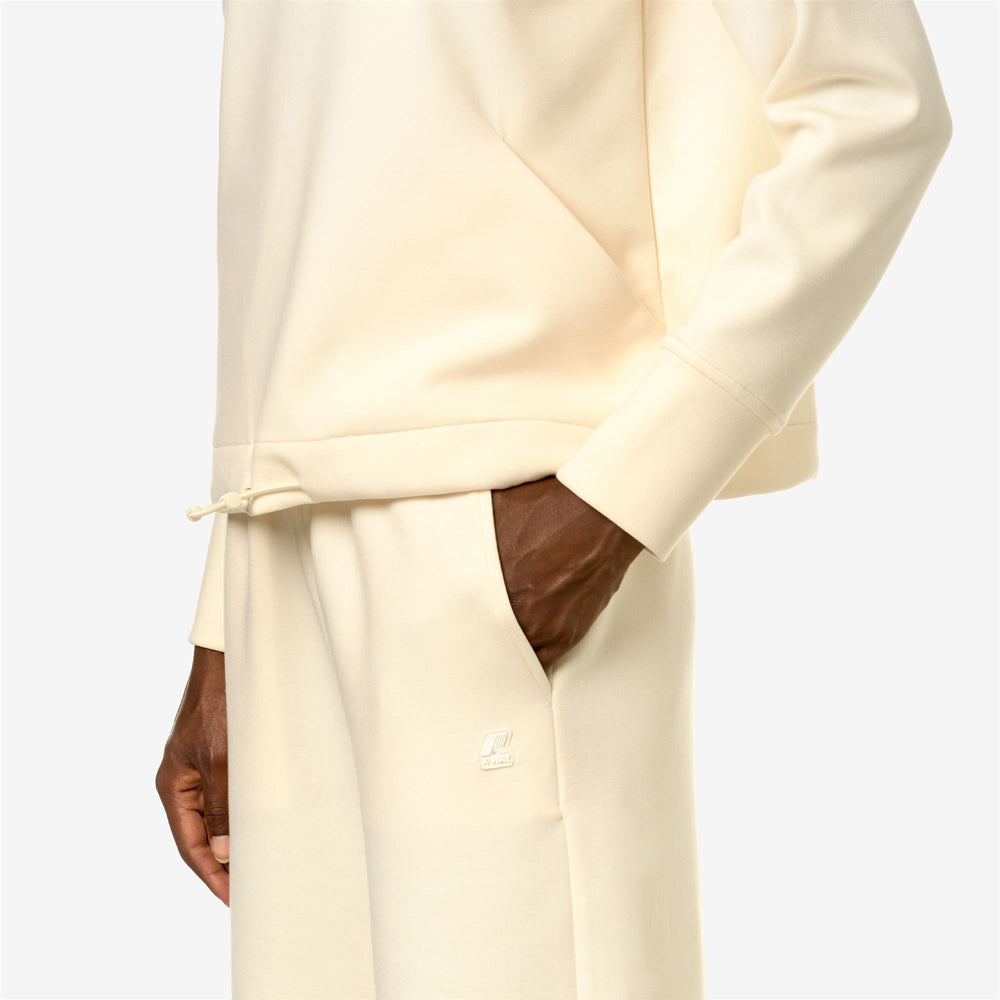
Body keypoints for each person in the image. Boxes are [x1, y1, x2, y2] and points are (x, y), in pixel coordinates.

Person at [155, 1, 952, 996]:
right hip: (285, 545)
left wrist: (624, 495)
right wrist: (226, 622)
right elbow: (298, 162)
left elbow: (877, 103)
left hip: (503, 525)